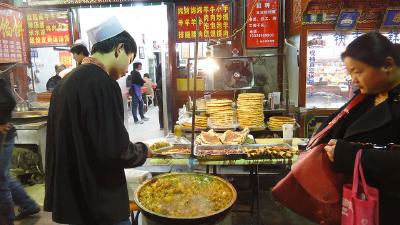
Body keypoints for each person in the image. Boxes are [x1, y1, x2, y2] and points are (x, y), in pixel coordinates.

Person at [44, 17, 150, 225]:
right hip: (101, 203)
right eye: (129, 60)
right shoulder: (102, 83)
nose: (127, 70)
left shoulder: (65, 83)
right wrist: (144, 150)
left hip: (74, 201)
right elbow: (115, 151)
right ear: (119, 49)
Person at [320, 32, 400, 224]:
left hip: (387, 207)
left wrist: (356, 155)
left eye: (358, 71)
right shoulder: (368, 96)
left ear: (387, 65)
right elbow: (334, 126)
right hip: (354, 198)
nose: (354, 79)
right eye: (350, 73)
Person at [0, 78, 40, 225]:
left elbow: (8, 101)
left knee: (1, 180)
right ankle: (27, 204)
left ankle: (6, 220)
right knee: (4, 176)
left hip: (3, 137)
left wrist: (2, 122)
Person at [155, 63, 164, 129]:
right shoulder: (162, 78)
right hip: (160, 94)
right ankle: (162, 125)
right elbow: (158, 88)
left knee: (161, 110)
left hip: (159, 94)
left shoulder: (159, 77)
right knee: (161, 110)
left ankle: (161, 125)